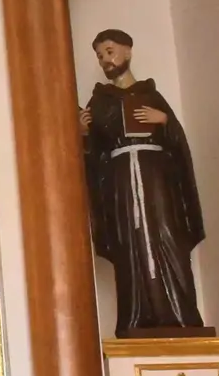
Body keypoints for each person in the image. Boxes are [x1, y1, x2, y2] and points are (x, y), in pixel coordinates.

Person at [80, 28, 207, 335]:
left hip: (156, 179)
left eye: (109, 52)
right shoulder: (99, 102)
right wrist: (85, 135)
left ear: (127, 51)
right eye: (100, 56)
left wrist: (164, 121)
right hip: (121, 184)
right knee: (130, 243)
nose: (105, 60)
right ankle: (136, 317)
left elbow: (178, 144)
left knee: (167, 236)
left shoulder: (151, 96)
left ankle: (180, 314)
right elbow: (95, 156)